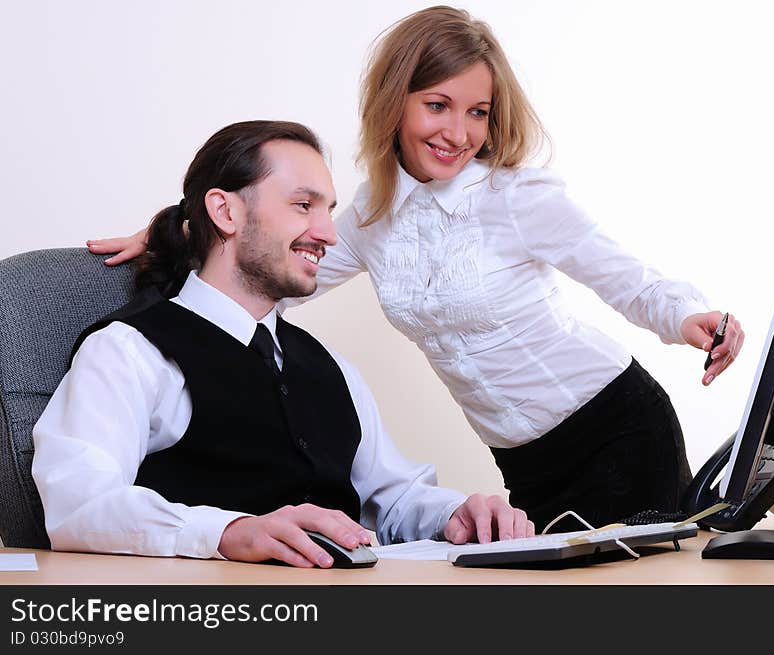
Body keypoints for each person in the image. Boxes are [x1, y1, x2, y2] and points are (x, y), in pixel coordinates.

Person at [87, 6, 744, 532]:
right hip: (524, 463)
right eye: (437, 104)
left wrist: (690, 316)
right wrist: (183, 228)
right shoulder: (370, 214)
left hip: (618, 429)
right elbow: (271, 270)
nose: (458, 132)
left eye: (478, 112)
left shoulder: (518, 197)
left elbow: (626, 277)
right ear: (395, 102)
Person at [32, 120, 533, 569]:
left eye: (328, 210)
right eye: (303, 206)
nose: (327, 234)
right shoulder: (130, 352)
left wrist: (456, 514)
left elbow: (393, 497)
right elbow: (78, 503)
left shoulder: (330, 365)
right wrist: (228, 531)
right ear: (224, 211)